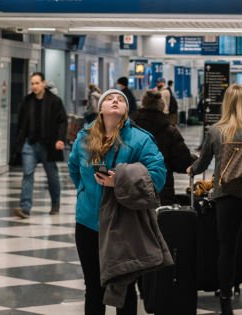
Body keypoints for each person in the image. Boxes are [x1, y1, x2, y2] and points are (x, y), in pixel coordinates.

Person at [68, 88, 166, 315]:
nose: (115, 101)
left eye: (120, 99)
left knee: (125, 287)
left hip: (124, 224)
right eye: (109, 99)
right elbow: (75, 169)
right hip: (88, 223)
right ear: (100, 108)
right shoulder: (84, 137)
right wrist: (85, 191)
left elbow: (157, 175)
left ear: (126, 110)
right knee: (93, 288)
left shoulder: (141, 139)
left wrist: (120, 181)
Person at [190, 84, 242, 315]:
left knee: (226, 250)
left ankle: (225, 300)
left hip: (226, 197)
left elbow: (202, 164)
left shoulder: (216, 131)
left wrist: (192, 168)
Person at [14, 71, 69, 218]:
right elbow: (21, 123)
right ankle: (25, 208)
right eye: (32, 83)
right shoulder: (27, 101)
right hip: (30, 143)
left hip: (48, 144)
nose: (34, 86)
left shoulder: (55, 101)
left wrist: (60, 139)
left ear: (43, 83)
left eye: (37, 83)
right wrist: (19, 140)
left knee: (52, 175)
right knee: (27, 174)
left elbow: (62, 122)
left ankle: (55, 203)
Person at [132, 90, 194, 206]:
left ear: (142, 104)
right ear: (162, 107)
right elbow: (182, 163)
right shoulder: (169, 130)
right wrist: (193, 160)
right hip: (162, 192)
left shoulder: (129, 128)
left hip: (132, 190)